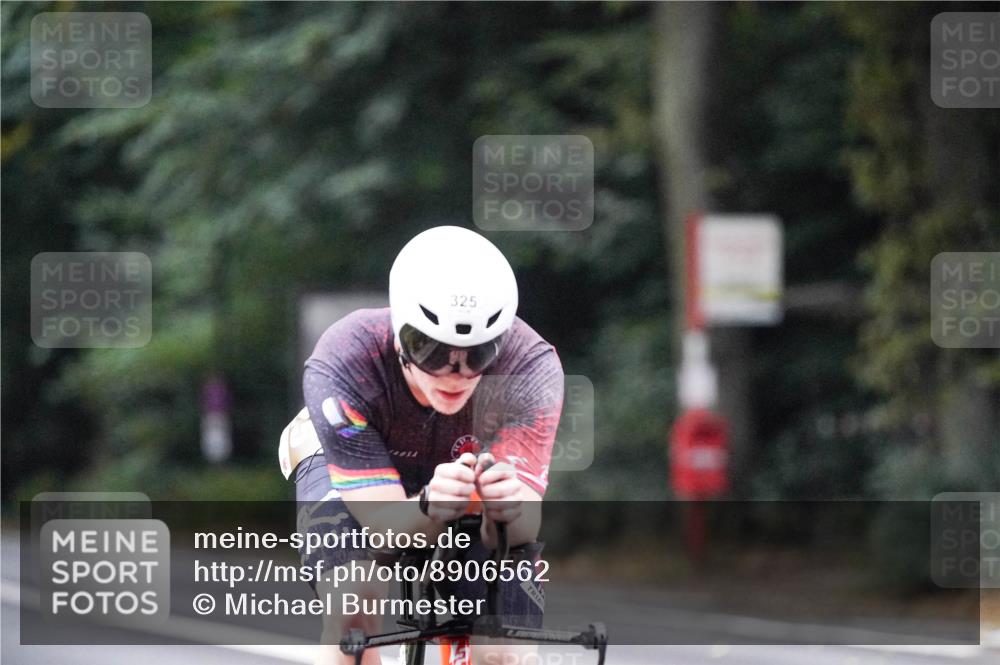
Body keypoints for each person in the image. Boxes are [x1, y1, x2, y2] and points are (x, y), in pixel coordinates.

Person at [284, 226, 564, 665]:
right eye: (430, 350)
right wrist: (429, 506)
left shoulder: (530, 367)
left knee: (507, 647)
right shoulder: (346, 358)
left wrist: (504, 513)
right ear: (400, 335)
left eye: (478, 354)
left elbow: (521, 529)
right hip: (364, 470)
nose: (454, 374)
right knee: (353, 611)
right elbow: (382, 529)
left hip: (465, 470)